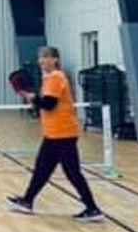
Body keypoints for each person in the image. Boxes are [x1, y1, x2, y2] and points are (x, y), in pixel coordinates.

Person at [7, 46, 104, 222]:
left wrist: (31, 97)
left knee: (73, 172)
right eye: (40, 57)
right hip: (53, 133)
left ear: (55, 59)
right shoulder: (49, 79)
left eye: (44, 57)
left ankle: (93, 208)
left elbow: (49, 104)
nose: (40, 61)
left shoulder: (55, 77)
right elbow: (45, 105)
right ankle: (27, 201)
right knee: (42, 169)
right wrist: (33, 99)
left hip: (63, 133)